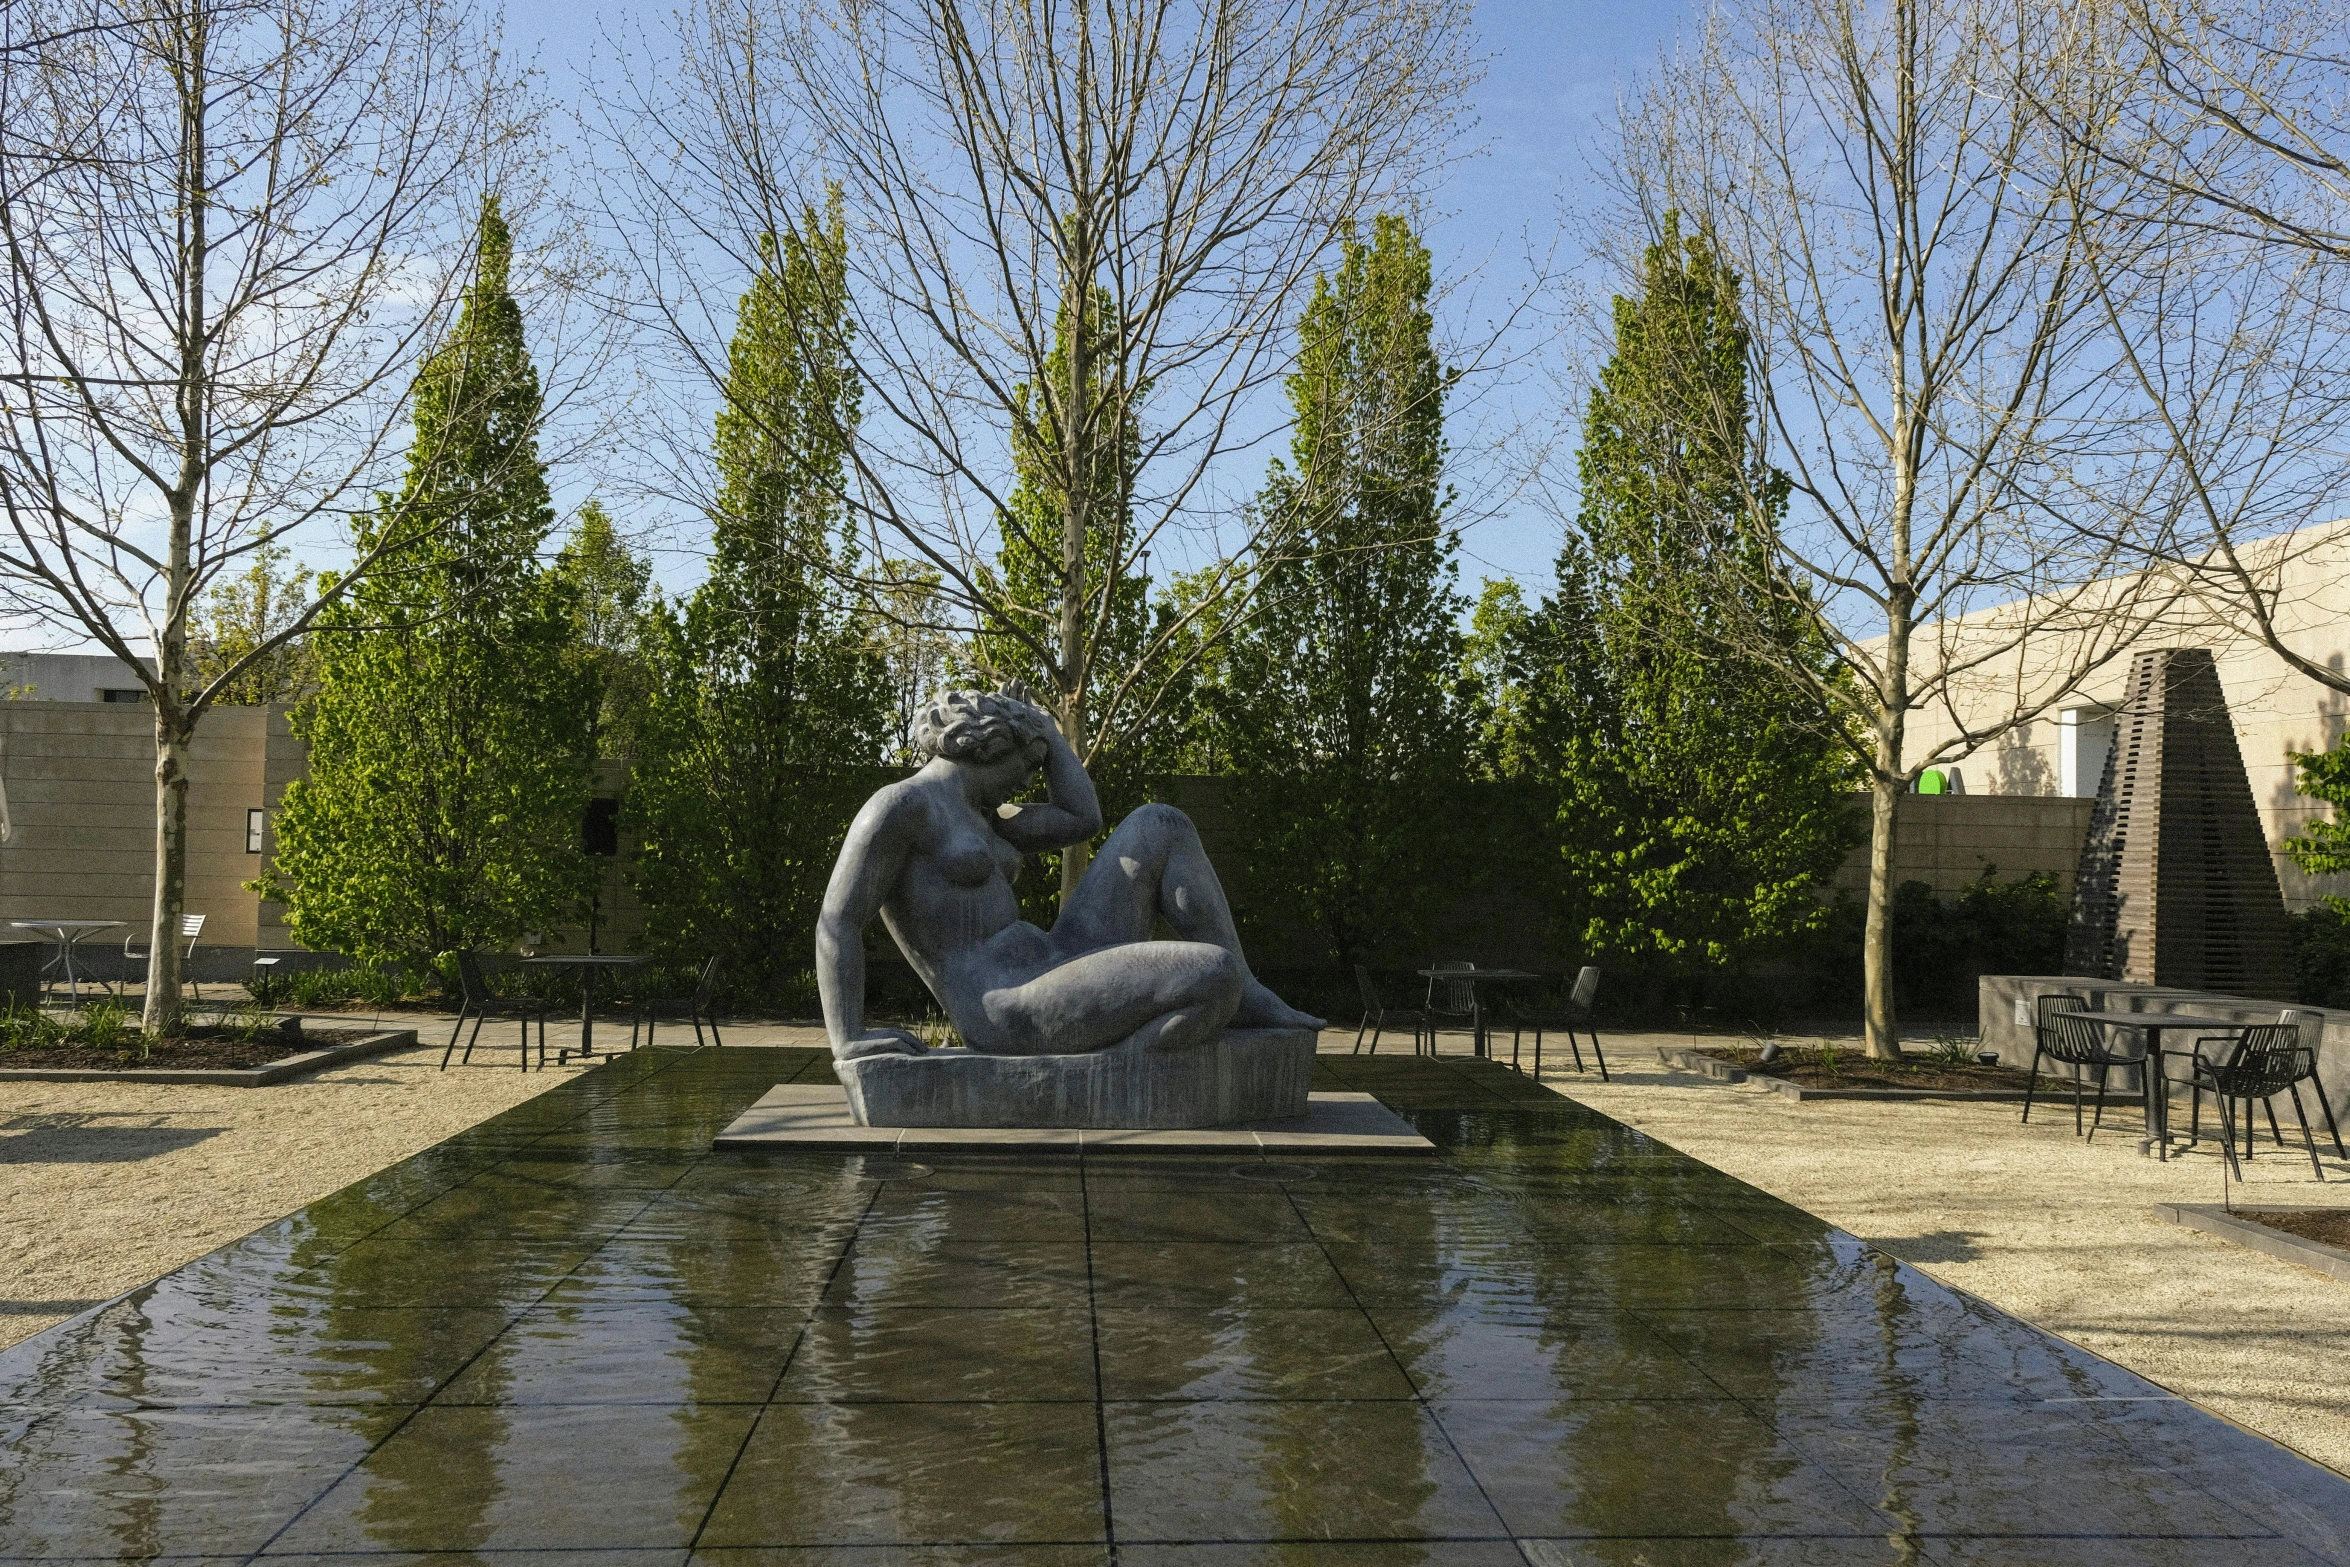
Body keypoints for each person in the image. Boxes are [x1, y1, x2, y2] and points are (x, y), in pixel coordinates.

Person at [817, 682, 1322, 1061]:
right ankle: (1118, 1070)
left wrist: (1048, 734)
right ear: (991, 747)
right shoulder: (901, 807)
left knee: (1160, 823)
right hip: (1007, 1005)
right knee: (1212, 974)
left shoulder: (989, 818)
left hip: (1054, 962)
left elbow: (1084, 818)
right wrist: (847, 1037)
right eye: (1032, 764)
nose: (1029, 780)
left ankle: (1251, 994)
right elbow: (838, 920)